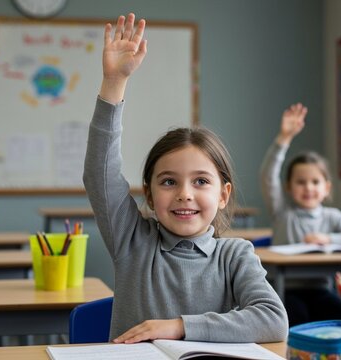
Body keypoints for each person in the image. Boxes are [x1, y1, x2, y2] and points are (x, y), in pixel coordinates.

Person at [83, 13, 287, 344]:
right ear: (148, 196)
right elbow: (98, 172)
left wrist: (178, 326)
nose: (184, 194)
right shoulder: (132, 241)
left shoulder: (235, 255)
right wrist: (113, 83)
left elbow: (273, 320)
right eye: (168, 182)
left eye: (201, 181)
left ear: (224, 194)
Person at [259, 103, 341, 327]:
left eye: (315, 182)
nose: (308, 188)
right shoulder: (283, 213)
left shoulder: (332, 216)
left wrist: (329, 239)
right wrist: (283, 139)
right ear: (289, 187)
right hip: (284, 289)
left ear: (326, 187)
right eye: (301, 182)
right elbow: (268, 177)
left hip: (319, 289)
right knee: (296, 317)